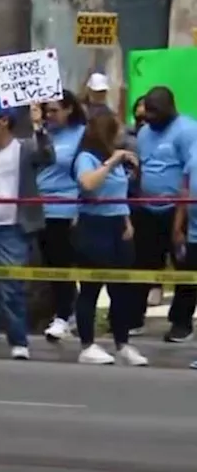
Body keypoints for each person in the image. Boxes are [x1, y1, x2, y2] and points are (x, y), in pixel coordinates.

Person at [0, 100, 53, 360]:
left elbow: (47, 155)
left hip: (15, 227)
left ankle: (18, 340)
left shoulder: (23, 149)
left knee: (12, 286)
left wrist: (38, 124)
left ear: (4, 121)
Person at [71, 112, 147, 366]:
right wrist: (113, 162)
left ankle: (123, 343)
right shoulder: (87, 158)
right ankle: (87, 344)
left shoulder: (112, 160)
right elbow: (88, 184)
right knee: (91, 288)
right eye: (117, 131)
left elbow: (120, 194)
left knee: (122, 288)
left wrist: (126, 221)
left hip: (118, 224)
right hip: (94, 225)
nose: (121, 136)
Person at [132, 87, 197, 332]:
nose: (149, 116)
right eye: (146, 110)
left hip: (177, 210)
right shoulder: (144, 133)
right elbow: (143, 166)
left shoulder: (188, 131)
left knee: (185, 268)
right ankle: (134, 318)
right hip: (146, 208)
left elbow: (190, 174)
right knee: (142, 263)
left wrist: (180, 222)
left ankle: (180, 322)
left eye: (155, 111)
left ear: (170, 107)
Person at [36, 92, 87, 342]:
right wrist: (38, 128)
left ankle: (63, 316)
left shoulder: (82, 135)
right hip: (39, 206)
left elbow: (84, 170)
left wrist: (80, 206)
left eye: (54, 110)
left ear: (69, 109)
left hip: (66, 206)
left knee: (62, 262)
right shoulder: (44, 134)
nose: (49, 115)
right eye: (47, 111)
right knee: (51, 263)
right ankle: (69, 311)